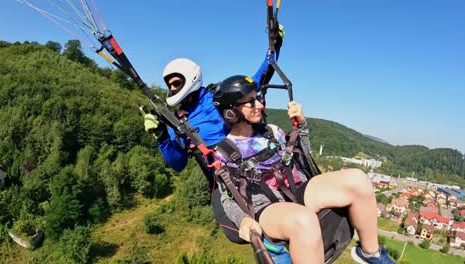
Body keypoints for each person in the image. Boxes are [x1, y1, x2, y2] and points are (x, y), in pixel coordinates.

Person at [211, 75, 396, 264]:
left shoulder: (272, 132)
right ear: (231, 112)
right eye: (251, 102)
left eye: (257, 98)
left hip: (295, 190)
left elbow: (303, 156)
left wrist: (302, 124)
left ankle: (371, 254)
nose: (259, 105)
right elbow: (227, 198)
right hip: (265, 208)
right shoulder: (224, 152)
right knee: (304, 220)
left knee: (358, 179)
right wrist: (242, 220)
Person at [143, 24, 285, 174]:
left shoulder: (220, 96)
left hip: (260, 163)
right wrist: (162, 137)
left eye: (176, 83)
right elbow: (178, 164)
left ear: (191, 78)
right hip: (228, 182)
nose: (172, 89)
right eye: (169, 85)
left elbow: (258, 79)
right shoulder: (178, 123)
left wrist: (274, 47)